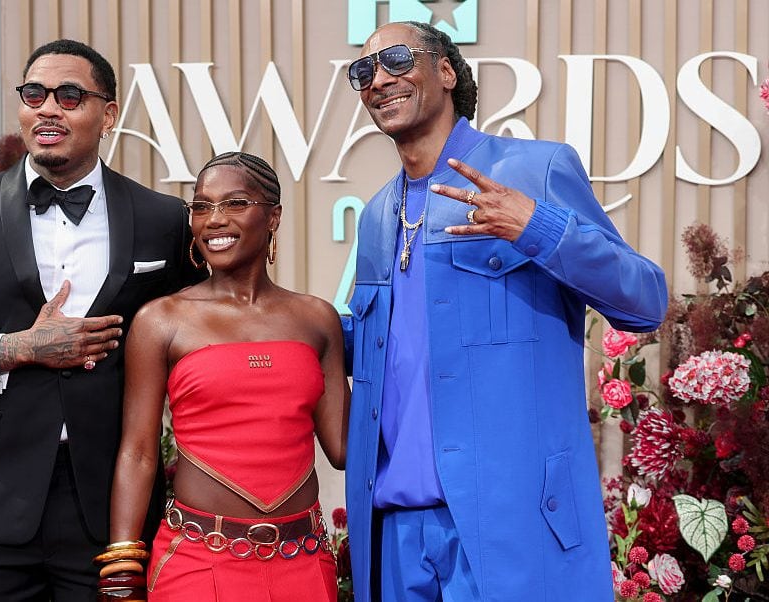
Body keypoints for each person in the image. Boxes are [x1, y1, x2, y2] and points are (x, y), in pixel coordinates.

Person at [342, 22, 668, 602]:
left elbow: (645, 303)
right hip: (396, 534)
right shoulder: (375, 216)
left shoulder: (533, 170)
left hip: (513, 523)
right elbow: (386, 350)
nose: (379, 79)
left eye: (395, 58)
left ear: (445, 71)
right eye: (363, 71)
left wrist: (537, 227)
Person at [0, 39, 206, 601]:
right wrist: (17, 348)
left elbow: (202, 336)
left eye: (70, 95)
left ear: (108, 114)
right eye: (35, 93)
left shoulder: (163, 220)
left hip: (111, 509)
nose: (48, 107)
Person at [101, 152, 350, 601]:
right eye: (201, 206)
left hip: (305, 562)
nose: (214, 219)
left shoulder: (317, 319)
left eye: (235, 203)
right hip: (198, 562)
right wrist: (120, 572)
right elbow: (138, 453)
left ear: (273, 216)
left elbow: (344, 448)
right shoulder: (162, 319)